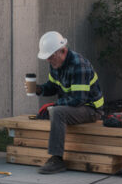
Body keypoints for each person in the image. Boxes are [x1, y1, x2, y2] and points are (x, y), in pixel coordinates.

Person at [32, 31, 104, 174]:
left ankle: (57, 160)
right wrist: (39, 89)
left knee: (57, 112)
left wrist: (55, 105)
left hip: (91, 109)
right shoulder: (55, 64)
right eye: (47, 57)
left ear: (63, 51)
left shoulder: (79, 65)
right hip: (75, 106)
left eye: (51, 56)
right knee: (53, 111)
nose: (48, 61)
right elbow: (52, 86)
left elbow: (79, 99)